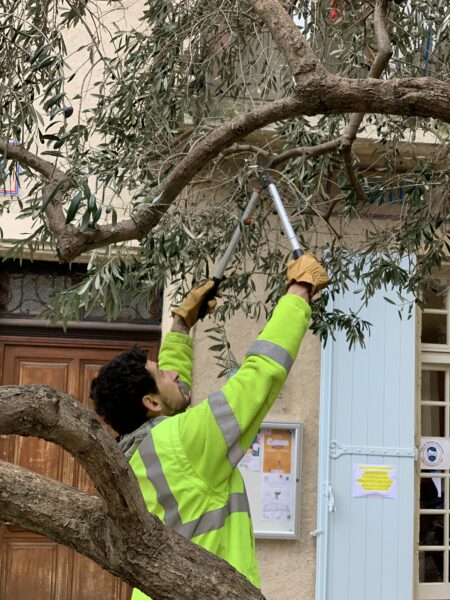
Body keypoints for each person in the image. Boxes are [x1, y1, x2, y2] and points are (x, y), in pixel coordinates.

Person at [90, 254, 330, 598]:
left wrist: (181, 325)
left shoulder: (132, 457)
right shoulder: (183, 442)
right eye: (161, 374)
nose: (172, 373)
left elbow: (172, 397)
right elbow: (259, 376)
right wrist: (298, 293)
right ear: (151, 403)